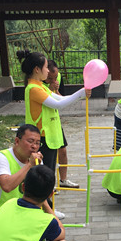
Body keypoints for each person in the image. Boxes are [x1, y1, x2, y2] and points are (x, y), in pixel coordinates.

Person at [16, 49, 91, 177]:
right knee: (44, 174)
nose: (48, 71)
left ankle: (47, 196)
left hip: (47, 136)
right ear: (37, 69)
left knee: (48, 172)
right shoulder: (34, 88)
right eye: (45, 67)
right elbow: (58, 104)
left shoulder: (40, 86)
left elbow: (60, 99)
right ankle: (45, 197)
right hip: (42, 136)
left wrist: (81, 94)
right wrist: (81, 93)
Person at [0, 124, 43, 235]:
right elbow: (7, 186)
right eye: (30, 141)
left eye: (37, 143)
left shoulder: (36, 161)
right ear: (17, 141)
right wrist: (29, 165)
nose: (34, 146)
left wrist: (52, 217)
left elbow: (41, 193)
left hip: (19, 212)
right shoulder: (2, 157)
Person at [43, 60, 78, 189]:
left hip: (55, 121)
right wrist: (50, 90)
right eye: (49, 78)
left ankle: (63, 179)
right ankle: (49, 185)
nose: (53, 79)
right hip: (44, 125)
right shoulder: (37, 85)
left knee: (62, 150)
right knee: (49, 157)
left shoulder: (58, 78)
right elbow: (52, 101)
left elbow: (61, 98)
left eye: (55, 77)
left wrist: (55, 90)